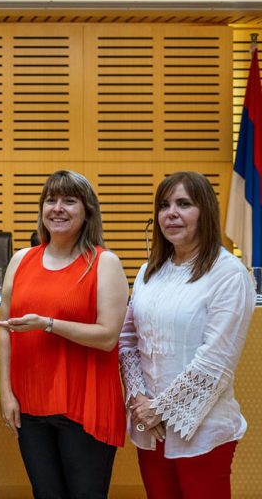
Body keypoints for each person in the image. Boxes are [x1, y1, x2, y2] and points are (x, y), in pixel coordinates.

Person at [119, 171, 255, 499]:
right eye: (164, 206)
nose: (171, 213)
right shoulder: (149, 271)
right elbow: (127, 340)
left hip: (203, 430)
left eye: (184, 204)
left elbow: (217, 359)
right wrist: (139, 401)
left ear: (204, 212)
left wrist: (160, 408)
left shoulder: (228, 273)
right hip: (151, 428)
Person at [0, 170, 129, 499]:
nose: (57, 208)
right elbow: (5, 330)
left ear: (87, 212)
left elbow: (108, 337)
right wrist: (6, 393)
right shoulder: (20, 260)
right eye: (50, 200)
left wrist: (48, 324)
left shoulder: (105, 263)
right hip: (30, 403)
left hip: (85, 402)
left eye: (69, 201)